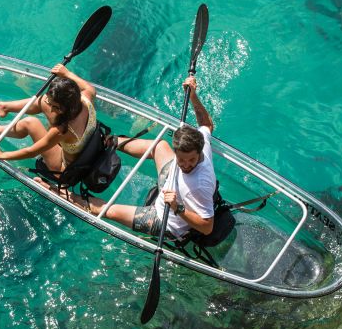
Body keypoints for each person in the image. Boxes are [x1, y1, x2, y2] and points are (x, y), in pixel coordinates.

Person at [42, 75, 219, 241]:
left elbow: (207, 227)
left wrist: (177, 207)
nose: (186, 165)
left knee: (108, 210)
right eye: (182, 159)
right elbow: (206, 124)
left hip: (166, 217)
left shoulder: (199, 185)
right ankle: (111, 142)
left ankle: (59, 192)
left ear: (199, 152)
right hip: (172, 181)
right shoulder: (201, 141)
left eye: (191, 160)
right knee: (159, 146)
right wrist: (194, 95)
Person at [0, 64, 97, 174]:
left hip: (62, 167)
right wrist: (66, 73)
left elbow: (32, 152)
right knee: (44, 100)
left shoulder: (62, 130)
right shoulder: (86, 97)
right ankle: (3, 107)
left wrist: (1, 155)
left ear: (64, 107)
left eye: (54, 107)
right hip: (83, 153)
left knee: (30, 123)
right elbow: (89, 87)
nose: (51, 109)